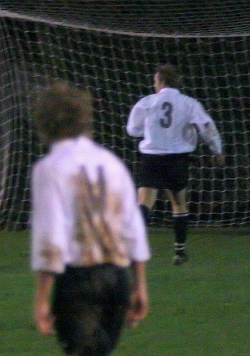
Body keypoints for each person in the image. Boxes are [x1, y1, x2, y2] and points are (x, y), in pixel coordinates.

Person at [30, 82, 150, 355]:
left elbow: (50, 236)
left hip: (80, 281)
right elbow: (133, 228)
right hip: (118, 278)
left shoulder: (49, 168)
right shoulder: (111, 162)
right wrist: (140, 285)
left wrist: (41, 298)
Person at [126, 64, 224, 265]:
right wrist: (216, 149)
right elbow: (207, 127)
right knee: (178, 203)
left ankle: (131, 249)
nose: (154, 84)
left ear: (161, 82)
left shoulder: (146, 102)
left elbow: (133, 130)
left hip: (151, 157)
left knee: (144, 202)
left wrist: (153, 131)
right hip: (177, 159)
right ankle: (179, 252)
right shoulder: (189, 103)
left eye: (155, 81)